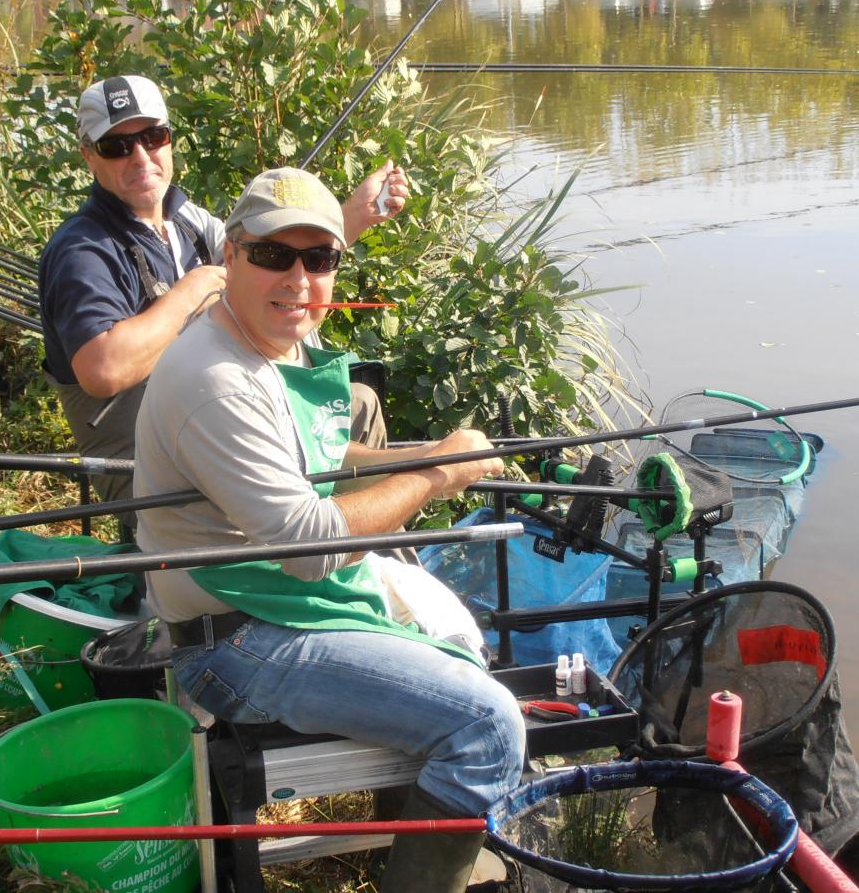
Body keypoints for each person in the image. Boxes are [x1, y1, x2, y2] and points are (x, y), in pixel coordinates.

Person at [134, 167, 527, 893]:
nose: (300, 277)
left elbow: (311, 466)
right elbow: (311, 545)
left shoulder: (254, 340)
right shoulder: (216, 377)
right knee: (489, 727)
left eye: (320, 259)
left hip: (262, 600)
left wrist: (422, 454)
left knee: (459, 637)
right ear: (232, 254)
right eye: (275, 255)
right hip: (235, 642)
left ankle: (414, 838)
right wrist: (440, 475)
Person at [38, 75, 407, 504]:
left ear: (170, 139)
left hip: (222, 411)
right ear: (88, 156)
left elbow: (273, 259)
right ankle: (338, 538)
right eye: (116, 147)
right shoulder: (81, 250)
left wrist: (355, 214)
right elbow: (103, 372)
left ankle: (368, 549)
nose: (140, 157)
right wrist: (188, 294)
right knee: (344, 456)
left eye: (152, 137)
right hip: (141, 461)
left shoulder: (186, 220)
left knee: (357, 402)